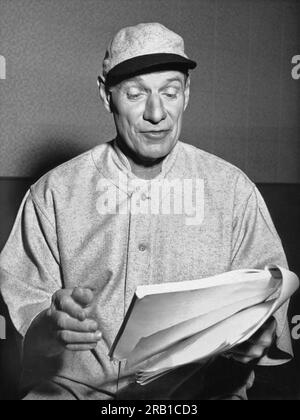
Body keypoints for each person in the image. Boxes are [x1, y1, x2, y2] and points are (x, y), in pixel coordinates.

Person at [0, 22, 293, 400]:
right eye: (136, 94)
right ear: (107, 98)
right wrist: (49, 326)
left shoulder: (232, 190)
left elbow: (269, 308)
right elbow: (25, 323)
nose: (157, 113)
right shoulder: (54, 193)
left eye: (170, 92)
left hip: (198, 396)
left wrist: (258, 331)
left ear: (186, 95)